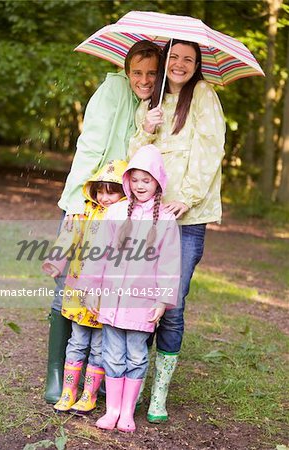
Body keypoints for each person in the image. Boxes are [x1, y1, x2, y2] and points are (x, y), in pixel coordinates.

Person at [44, 40, 161, 404]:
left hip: (131, 208)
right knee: (71, 284)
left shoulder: (163, 100)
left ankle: (114, 378)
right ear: (127, 72)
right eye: (137, 72)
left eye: (151, 73)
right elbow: (91, 147)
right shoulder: (112, 92)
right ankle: (57, 373)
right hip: (93, 199)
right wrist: (80, 199)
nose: (144, 80)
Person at [128, 39, 226, 423]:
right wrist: (144, 129)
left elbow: (211, 148)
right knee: (140, 298)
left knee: (170, 303)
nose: (181, 64)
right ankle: (133, 381)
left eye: (189, 58)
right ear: (165, 60)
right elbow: (135, 158)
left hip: (185, 218)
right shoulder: (150, 101)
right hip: (149, 217)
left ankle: (159, 392)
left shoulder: (203, 95)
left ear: (197, 63)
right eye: (175, 57)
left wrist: (187, 196)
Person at [75, 145, 180, 432]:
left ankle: (127, 413)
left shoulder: (166, 220)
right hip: (110, 300)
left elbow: (170, 265)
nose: (140, 186)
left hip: (141, 304)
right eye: (134, 180)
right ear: (127, 181)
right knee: (111, 355)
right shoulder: (117, 211)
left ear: (158, 181)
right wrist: (91, 289)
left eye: (146, 180)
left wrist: (162, 300)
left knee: (135, 355)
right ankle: (112, 411)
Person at [42, 160, 127, 414]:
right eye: (100, 191)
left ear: (124, 192)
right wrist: (57, 261)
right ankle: (69, 391)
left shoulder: (125, 217)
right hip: (80, 290)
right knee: (77, 341)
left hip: (106, 294)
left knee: (100, 346)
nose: (105, 197)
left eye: (111, 191)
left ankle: (89, 395)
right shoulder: (86, 212)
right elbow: (70, 234)